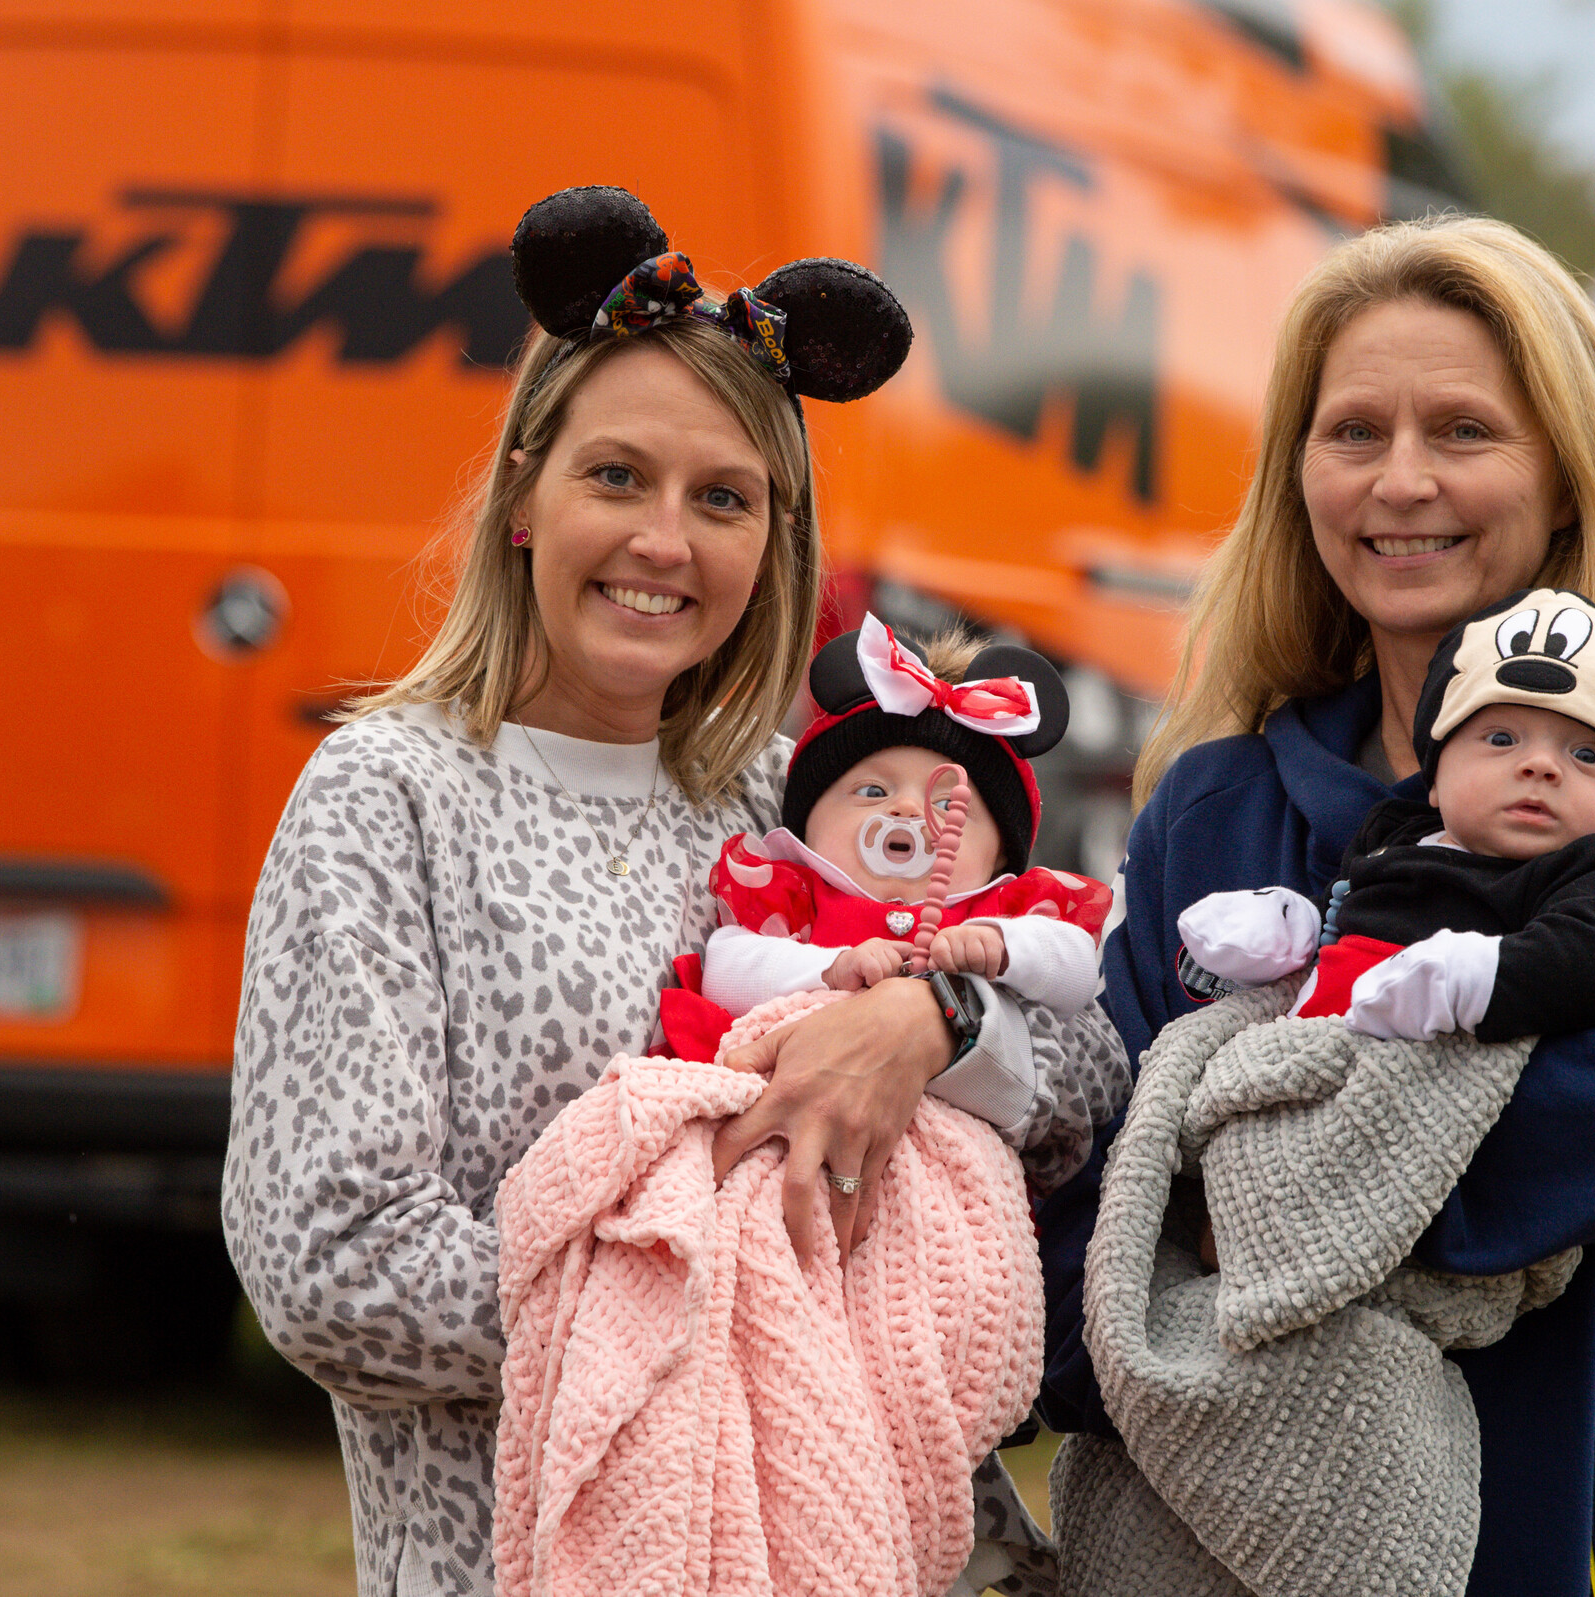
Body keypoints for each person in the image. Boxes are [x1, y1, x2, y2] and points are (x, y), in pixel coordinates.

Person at [221, 184, 1128, 1597]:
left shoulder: (794, 796)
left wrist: (932, 1025)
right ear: (525, 492)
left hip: (883, 1550)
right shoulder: (390, 797)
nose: (665, 540)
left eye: (723, 499)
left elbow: (1086, 1077)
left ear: (776, 543)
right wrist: (733, 1315)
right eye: (616, 477)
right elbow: (330, 1260)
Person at [1037, 214, 1595, 1596]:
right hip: (1234, 1549)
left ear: (1567, 469)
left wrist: (1263, 1207)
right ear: (1298, 477)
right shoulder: (1211, 805)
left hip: (1584, 1551)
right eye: (1354, 433)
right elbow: (1109, 1187)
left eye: (1463, 431)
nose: (1402, 482)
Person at [1174, 557, 1595, 1046]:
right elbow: (1343, 911)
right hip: (1305, 1041)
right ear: (1434, 777)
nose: (1541, 766)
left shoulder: (1594, 870)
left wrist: (1467, 982)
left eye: (1587, 753)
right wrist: (1288, 926)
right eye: (1502, 739)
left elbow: (1587, 966)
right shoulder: (1396, 832)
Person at [660, 613, 1112, 1067]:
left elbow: (1078, 971)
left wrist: (1006, 945)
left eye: (949, 805)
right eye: (873, 791)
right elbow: (724, 969)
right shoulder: (800, 897)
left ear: (998, 859)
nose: (909, 810)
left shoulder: (996, 914)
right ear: (807, 829)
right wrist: (829, 968)